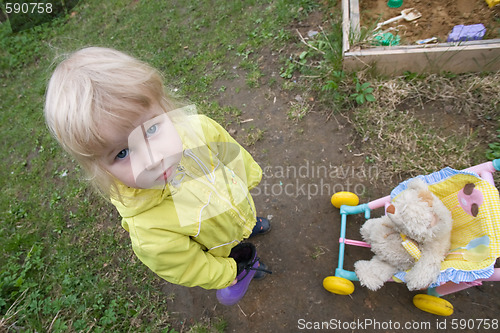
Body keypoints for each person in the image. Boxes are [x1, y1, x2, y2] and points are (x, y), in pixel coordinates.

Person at [44, 47, 271, 305]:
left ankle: (246, 224)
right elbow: (188, 265)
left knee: (241, 222)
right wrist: (224, 273)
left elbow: (231, 154)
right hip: (218, 248)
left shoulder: (198, 128)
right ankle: (245, 265)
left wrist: (248, 180)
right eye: (122, 153)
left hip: (235, 205)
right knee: (235, 252)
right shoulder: (149, 229)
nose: (153, 159)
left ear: (164, 105)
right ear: (99, 167)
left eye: (151, 129)